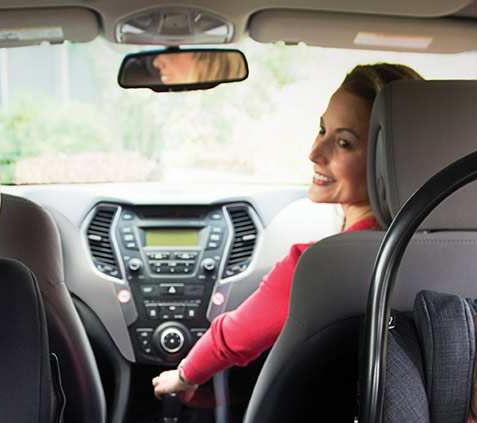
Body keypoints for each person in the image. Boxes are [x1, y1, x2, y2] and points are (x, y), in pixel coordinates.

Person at [152, 62, 422, 400]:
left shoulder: (321, 265)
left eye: (343, 143)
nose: (314, 153)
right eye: (322, 129)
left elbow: (233, 338)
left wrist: (183, 377)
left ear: (388, 161)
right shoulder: (467, 252)